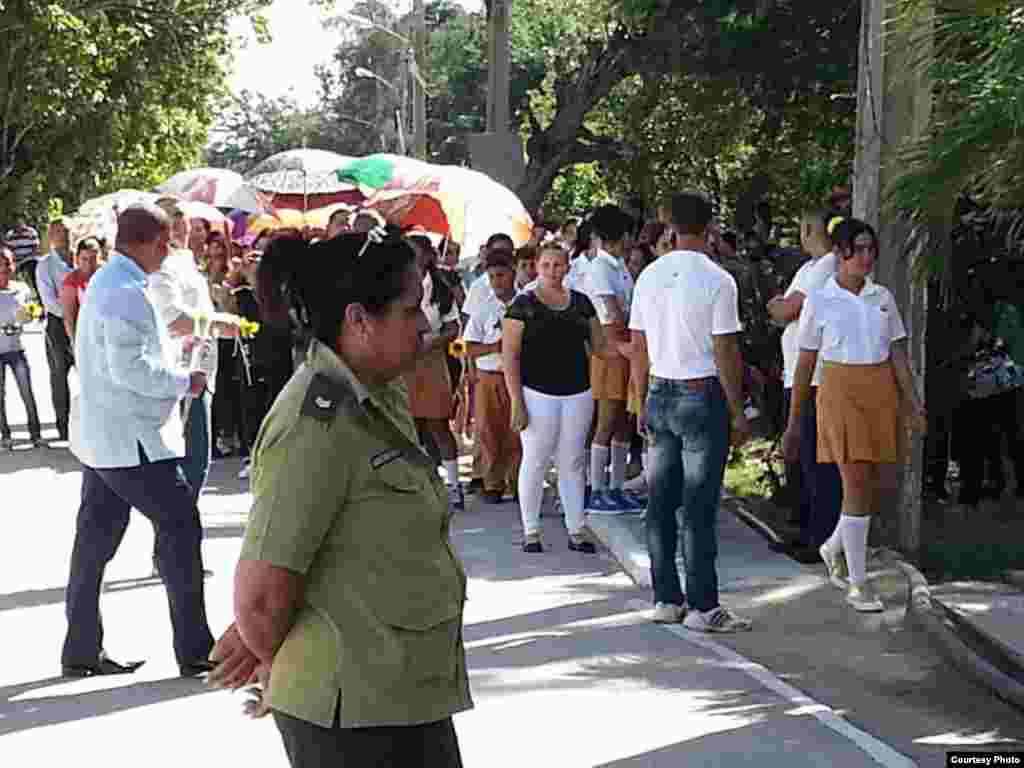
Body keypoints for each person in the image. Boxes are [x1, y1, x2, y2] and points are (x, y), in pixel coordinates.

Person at [208, 231, 471, 767]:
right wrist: (274, 654)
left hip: (400, 693)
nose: (424, 323)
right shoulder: (315, 423)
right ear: (359, 321)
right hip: (354, 716)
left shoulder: (376, 391)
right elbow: (259, 599)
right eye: (409, 309)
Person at [63, 204, 215, 677]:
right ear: (154, 243)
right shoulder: (126, 292)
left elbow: (129, 355)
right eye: (167, 244)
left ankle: (81, 650)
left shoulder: (113, 285)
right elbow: (130, 369)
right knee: (180, 529)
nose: (168, 254)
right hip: (131, 441)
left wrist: (174, 356)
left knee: (94, 543)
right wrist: (184, 380)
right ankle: (196, 651)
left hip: (106, 438)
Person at [783, 218, 927, 613]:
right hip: (838, 392)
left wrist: (913, 404)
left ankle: (833, 546)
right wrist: (794, 423)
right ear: (839, 252)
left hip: (880, 392)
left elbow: (898, 354)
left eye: (870, 249)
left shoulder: (883, 296)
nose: (865, 257)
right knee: (856, 484)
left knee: (873, 486)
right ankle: (858, 582)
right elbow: (804, 364)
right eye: (857, 249)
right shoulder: (820, 300)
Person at [628, 191, 754, 632]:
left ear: (671, 227)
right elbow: (724, 348)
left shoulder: (648, 275)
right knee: (699, 506)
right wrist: (738, 410)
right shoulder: (718, 280)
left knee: (661, 502)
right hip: (701, 393)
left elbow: (639, 346)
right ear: (710, 227)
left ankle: (667, 598)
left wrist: (640, 397)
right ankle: (703, 606)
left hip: (659, 391)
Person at [503, 243, 605, 554]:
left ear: (567, 268)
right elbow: (510, 357)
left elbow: (601, 346)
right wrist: (517, 401)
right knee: (535, 459)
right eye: (546, 265)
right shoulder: (522, 305)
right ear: (536, 266)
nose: (552, 271)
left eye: (558, 265)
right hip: (536, 394)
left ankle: (576, 529)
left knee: (573, 461)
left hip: (578, 392)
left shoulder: (582, 303)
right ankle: (531, 530)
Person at [766, 211, 843, 558]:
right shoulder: (807, 267)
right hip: (795, 373)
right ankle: (803, 528)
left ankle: (821, 537)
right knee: (797, 457)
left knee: (816, 459)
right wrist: (780, 306)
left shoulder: (827, 264)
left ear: (811, 230)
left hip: (815, 378)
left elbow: (785, 309)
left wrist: (779, 306)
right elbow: (784, 306)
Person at [584, 204, 644, 514]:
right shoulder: (600, 269)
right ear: (620, 235)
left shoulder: (619, 266)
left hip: (625, 349)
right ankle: (596, 489)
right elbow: (610, 313)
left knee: (623, 422)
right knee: (606, 420)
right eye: (629, 234)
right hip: (610, 351)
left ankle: (617, 487)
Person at [404, 235, 464, 509]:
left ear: (428, 256)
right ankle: (414, 485)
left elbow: (453, 328)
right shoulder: (398, 285)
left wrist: (434, 340)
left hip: (433, 360)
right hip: (404, 360)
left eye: (417, 253)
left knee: (438, 424)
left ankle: (453, 485)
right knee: (408, 427)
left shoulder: (441, 288)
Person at [464, 248, 522, 504]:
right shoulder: (483, 308)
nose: (497, 282)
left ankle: (518, 481)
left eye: (501, 275)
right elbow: (468, 346)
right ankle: (492, 482)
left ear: (512, 273)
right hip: (490, 375)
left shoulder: (526, 304)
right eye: (492, 277)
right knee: (488, 430)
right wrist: (494, 347)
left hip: (520, 375)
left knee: (518, 431)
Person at [0, 247, 44, 449]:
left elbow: (34, 309)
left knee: (27, 392)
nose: (4, 268)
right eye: (0, 264)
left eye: (7, 263)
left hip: (18, 349)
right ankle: (5, 435)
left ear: (13, 265)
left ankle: (36, 435)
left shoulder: (22, 288)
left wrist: (28, 317)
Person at [36, 219, 74, 441]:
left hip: (83, 321)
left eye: (66, 231)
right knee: (59, 375)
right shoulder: (45, 265)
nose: (63, 236)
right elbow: (49, 302)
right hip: (58, 324)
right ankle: (63, 425)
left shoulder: (79, 257)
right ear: (50, 236)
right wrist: (70, 312)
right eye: (58, 232)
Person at [61, 237, 103, 342]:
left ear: (100, 257)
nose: (89, 264)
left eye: (94, 259)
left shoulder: (108, 274)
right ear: (77, 258)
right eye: (84, 259)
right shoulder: (71, 280)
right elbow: (69, 317)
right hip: (86, 335)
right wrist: (75, 342)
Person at [4, 218, 41, 300]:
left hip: (30, 258)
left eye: (20, 223)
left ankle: (38, 291)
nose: (18, 225)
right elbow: (8, 251)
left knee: (33, 266)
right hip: (17, 261)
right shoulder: (10, 235)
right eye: (16, 224)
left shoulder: (31, 232)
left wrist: (25, 257)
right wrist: (16, 258)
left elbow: (36, 249)